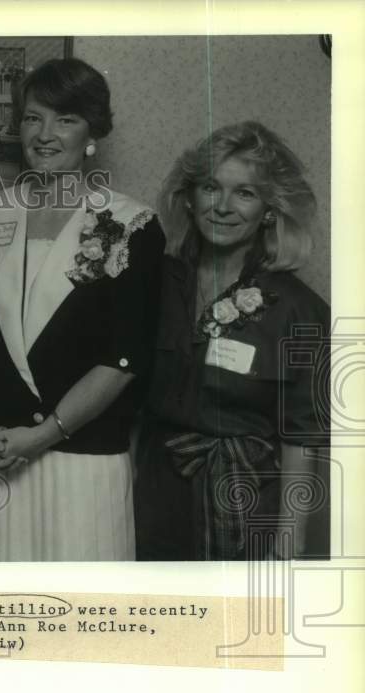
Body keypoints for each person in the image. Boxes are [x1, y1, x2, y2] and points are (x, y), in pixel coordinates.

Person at [0, 58, 166, 561]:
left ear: (92, 131)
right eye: (34, 118)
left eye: (65, 119)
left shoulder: (131, 224)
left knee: (80, 619)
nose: (45, 134)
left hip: (81, 458)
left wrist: (43, 435)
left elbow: (124, 359)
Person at [134, 121, 330, 560]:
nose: (222, 207)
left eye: (245, 193)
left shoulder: (299, 309)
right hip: (156, 496)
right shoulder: (155, 283)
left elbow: (302, 438)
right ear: (189, 197)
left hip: (249, 504)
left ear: (270, 210)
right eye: (211, 187)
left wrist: (289, 543)